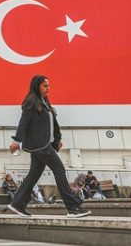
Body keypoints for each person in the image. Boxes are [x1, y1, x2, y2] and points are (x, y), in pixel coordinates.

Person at [8, 75, 91, 218]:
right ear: (37, 86)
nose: (48, 88)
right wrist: (16, 141)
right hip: (40, 145)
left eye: (49, 86)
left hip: (44, 144)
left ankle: (17, 204)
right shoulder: (31, 102)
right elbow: (23, 122)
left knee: (34, 174)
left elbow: (53, 123)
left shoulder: (44, 102)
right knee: (59, 169)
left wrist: (57, 139)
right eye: (45, 86)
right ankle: (72, 207)